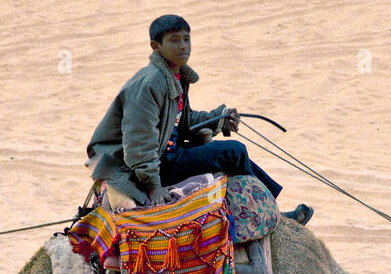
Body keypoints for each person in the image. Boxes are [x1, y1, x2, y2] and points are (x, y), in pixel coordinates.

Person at [86, 14, 312, 223]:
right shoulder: (149, 84)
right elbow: (138, 142)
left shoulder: (174, 76)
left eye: (186, 39)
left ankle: (272, 209)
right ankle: (273, 214)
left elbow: (181, 122)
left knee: (234, 155)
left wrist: (219, 118)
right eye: (174, 40)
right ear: (156, 46)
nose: (183, 46)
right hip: (139, 166)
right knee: (234, 151)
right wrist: (154, 186)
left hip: (168, 153)